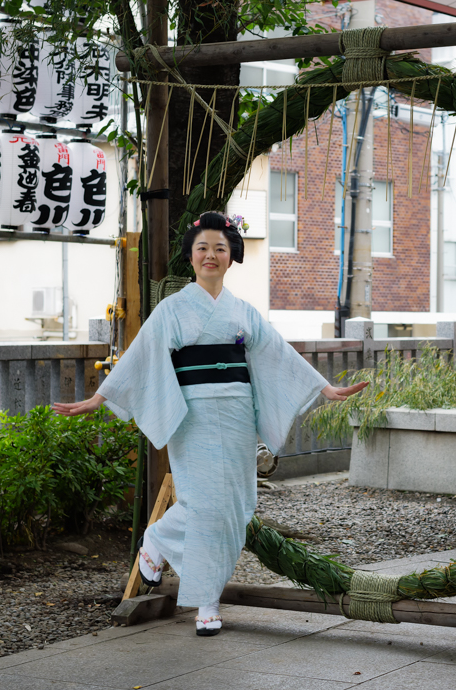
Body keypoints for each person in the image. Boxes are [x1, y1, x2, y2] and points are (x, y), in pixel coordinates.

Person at [52, 211, 367, 636]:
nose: (211, 255)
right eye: (202, 248)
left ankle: (160, 540)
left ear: (231, 255)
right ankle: (206, 602)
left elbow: (278, 355)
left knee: (238, 507)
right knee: (204, 506)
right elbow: (141, 356)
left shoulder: (243, 311)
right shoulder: (172, 310)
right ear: (192, 257)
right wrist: (99, 398)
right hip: (194, 414)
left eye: (220, 247)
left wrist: (322, 389)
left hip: (237, 413)